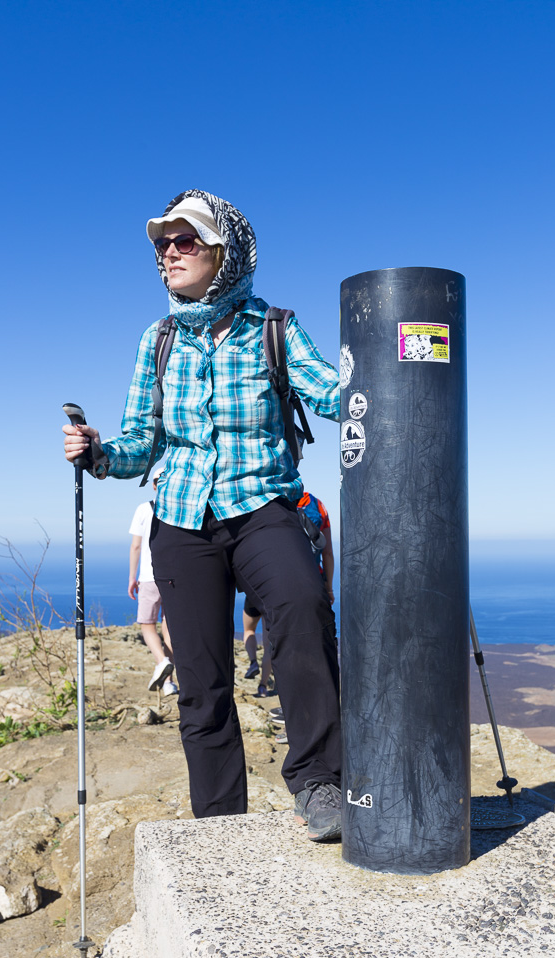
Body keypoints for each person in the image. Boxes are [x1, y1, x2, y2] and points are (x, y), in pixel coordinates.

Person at [62, 190, 341, 841]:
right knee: (201, 676)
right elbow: (141, 442)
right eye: (162, 242)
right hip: (181, 521)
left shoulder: (274, 326)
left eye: (184, 239)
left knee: (301, 607)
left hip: (262, 507)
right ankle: (218, 820)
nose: (168, 252)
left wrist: (393, 378)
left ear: (226, 251)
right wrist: (99, 452)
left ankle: (319, 780)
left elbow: (329, 392)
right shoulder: (157, 341)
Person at [244, 489, 335, 699]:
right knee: (304, 641)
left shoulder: (271, 498)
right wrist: (329, 588)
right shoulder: (318, 505)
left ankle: (258, 675)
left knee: (256, 633)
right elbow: (327, 552)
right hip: (311, 581)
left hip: (267, 581)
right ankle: (305, 692)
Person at [128, 469, 178, 697]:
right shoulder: (179, 509)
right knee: (170, 630)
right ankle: (168, 683)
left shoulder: (144, 508)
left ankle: (160, 662)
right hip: (174, 577)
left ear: (154, 485)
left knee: (147, 625)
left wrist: (132, 577)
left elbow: (136, 546)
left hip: (149, 576)